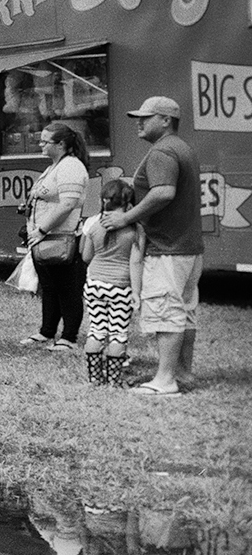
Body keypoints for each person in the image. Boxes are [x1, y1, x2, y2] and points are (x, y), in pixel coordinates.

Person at [101, 95, 204, 396]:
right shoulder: (182, 148)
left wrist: (125, 218)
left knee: (166, 311)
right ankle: (182, 373)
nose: (139, 122)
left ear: (166, 120)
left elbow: (162, 193)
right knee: (185, 311)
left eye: (146, 117)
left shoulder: (162, 151)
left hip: (167, 248)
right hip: (188, 246)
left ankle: (165, 380)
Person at [20, 120, 90, 350]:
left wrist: (41, 229)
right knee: (49, 288)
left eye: (44, 141)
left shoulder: (71, 166)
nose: (40, 144)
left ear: (60, 144)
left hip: (62, 238)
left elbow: (68, 204)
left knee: (68, 289)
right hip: (45, 239)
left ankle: (69, 337)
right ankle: (46, 331)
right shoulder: (54, 166)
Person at [81, 178, 145, 388]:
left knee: (96, 330)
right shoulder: (135, 229)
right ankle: (115, 380)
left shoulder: (94, 224)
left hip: (93, 285)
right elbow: (136, 261)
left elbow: (86, 257)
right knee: (117, 333)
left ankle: (94, 379)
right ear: (128, 203)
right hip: (120, 286)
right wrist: (136, 292)